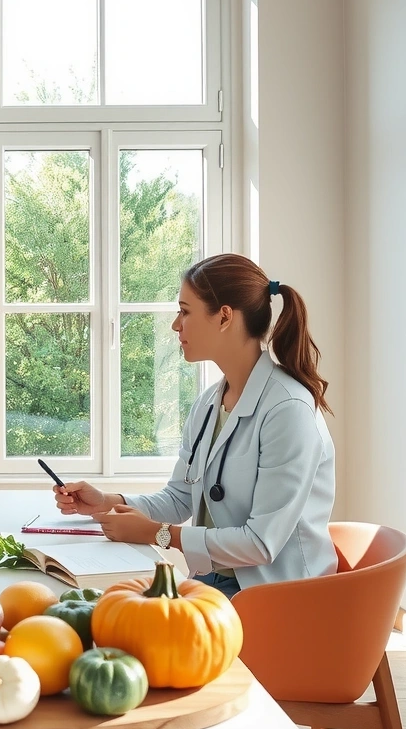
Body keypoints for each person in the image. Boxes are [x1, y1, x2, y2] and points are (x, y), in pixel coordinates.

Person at [55, 253, 336, 597]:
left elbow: (261, 544)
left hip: (276, 595)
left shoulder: (287, 409)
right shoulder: (209, 403)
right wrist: (106, 501)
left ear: (224, 317)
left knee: (132, 626)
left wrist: (158, 534)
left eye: (185, 311)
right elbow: (180, 498)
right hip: (217, 583)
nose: (176, 325)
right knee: (107, 606)